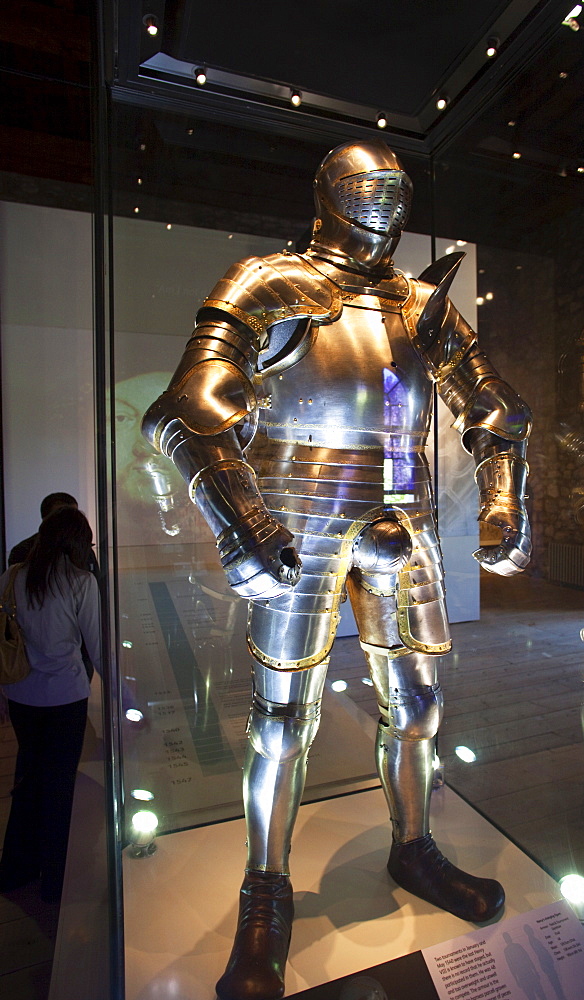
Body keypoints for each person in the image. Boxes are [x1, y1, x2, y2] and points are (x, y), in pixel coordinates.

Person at [143, 139, 532, 1000]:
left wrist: (504, 498)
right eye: (371, 188)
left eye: (398, 189)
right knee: (283, 721)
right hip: (302, 519)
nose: (387, 205)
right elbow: (190, 403)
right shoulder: (269, 283)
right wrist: (242, 515)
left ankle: (415, 847)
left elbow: (494, 406)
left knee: (421, 706)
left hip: (403, 518)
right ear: (330, 195)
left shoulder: (418, 303)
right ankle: (265, 892)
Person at [0, 507, 102, 904]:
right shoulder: (80, 582)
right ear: (77, 542)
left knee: (29, 779)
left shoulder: (12, 577)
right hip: (65, 698)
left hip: (21, 696)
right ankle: (55, 882)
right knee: (59, 788)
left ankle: (17, 867)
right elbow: (96, 645)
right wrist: (125, 698)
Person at [7, 491, 100, 578]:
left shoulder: (86, 551)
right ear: (46, 520)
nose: (72, 522)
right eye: (63, 517)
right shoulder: (22, 551)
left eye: (74, 516)